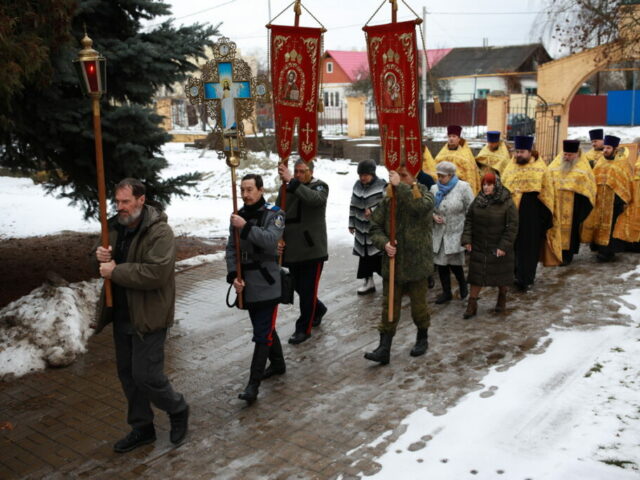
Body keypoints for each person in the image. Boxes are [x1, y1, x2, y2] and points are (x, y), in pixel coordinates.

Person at [94, 178, 189, 453]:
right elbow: (102, 261)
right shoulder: (114, 227)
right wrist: (98, 255)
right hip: (122, 312)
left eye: (125, 202)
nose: (120, 207)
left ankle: (178, 408)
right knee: (127, 375)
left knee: (146, 374)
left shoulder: (160, 233)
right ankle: (142, 427)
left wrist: (116, 272)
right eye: (117, 201)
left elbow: (156, 273)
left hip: (150, 314)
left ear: (141, 200)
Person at [364, 165, 435, 365]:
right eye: (394, 175)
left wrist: (402, 186)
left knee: (418, 307)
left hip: (417, 264)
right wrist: (384, 243)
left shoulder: (424, 194)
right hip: (393, 264)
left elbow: (420, 207)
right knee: (389, 307)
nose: (396, 178)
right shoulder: (388, 199)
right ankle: (384, 347)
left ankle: (422, 337)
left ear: (413, 176)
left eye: (402, 175)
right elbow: (375, 226)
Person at [226, 174, 286, 404]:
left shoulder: (275, 213)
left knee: (261, 334)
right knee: (265, 327)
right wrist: (234, 275)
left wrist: (246, 227)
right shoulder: (238, 215)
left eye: (250, 189)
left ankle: (253, 385)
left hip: (267, 283)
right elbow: (231, 248)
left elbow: (271, 240)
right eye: (242, 190)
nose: (245, 194)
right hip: (248, 283)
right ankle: (279, 363)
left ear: (260, 190)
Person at [277, 159, 329, 344]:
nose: (298, 174)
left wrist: (293, 182)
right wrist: (277, 236)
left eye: (302, 171)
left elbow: (314, 200)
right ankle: (319, 308)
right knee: (298, 286)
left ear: (311, 172)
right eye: (296, 171)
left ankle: (303, 329)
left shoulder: (320, 187)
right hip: (292, 250)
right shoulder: (286, 188)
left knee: (307, 291)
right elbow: (278, 215)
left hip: (312, 250)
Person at [501, 136, 556, 292]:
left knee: (528, 248)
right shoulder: (510, 167)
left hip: (531, 216)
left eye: (522, 152)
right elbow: (503, 189)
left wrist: (544, 219)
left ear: (530, 151)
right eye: (517, 151)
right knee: (513, 245)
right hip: (511, 215)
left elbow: (547, 193)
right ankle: (514, 274)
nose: (518, 154)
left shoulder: (540, 167)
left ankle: (526, 278)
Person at [461, 172, 518, 318]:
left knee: (501, 275)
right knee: (476, 276)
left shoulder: (507, 202)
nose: (486, 188)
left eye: (489, 185)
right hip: (480, 245)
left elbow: (512, 226)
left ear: (496, 185)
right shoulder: (478, 200)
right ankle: (472, 304)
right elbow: (469, 220)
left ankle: (502, 298)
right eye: (484, 185)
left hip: (498, 246)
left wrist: (503, 246)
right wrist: (467, 240)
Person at [544, 140, 596, 266]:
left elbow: (589, 188)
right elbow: (547, 181)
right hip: (556, 205)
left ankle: (567, 256)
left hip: (574, 206)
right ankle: (555, 253)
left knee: (570, 232)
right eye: (565, 154)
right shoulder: (554, 166)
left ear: (576, 155)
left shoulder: (583, 169)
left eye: (570, 155)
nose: (566, 157)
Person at [581, 135, 633, 262]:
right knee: (598, 224)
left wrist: (621, 200)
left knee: (611, 227)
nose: (605, 150)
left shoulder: (622, 163)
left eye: (608, 148)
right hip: (599, 200)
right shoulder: (601, 161)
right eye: (604, 148)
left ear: (615, 149)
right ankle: (599, 247)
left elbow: (626, 182)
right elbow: (594, 178)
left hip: (615, 201)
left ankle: (608, 252)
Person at [429, 161, 474, 304]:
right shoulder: (434, 189)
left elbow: (471, 210)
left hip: (456, 232)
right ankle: (446, 292)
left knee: (455, 263)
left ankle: (462, 285)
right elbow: (428, 207)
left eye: (442, 176)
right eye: (438, 176)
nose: (439, 179)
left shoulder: (463, 187)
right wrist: (433, 216)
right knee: (441, 264)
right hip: (439, 233)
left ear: (450, 175)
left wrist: (468, 232)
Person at [349, 159, 387, 295]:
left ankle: (391, 282)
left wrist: (373, 209)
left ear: (372, 173)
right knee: (364, 256)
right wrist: (351, 223)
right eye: (360, 175)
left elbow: (387, 203)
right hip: (360, 228)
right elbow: (353, 204)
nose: (362, 178)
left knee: (378, 256)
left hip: (376, 228)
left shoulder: (382, 185)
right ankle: (368, 282)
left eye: (365, 175)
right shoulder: (357, 185)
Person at [435, 125, 481, 194]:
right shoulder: (442, 153)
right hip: (442, 186)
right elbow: (435, 169)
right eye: (449, 136)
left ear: (459, 139)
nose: (451, 139)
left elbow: (470, 173)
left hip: (460, 188)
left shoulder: (465, 154)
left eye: (454, 136)